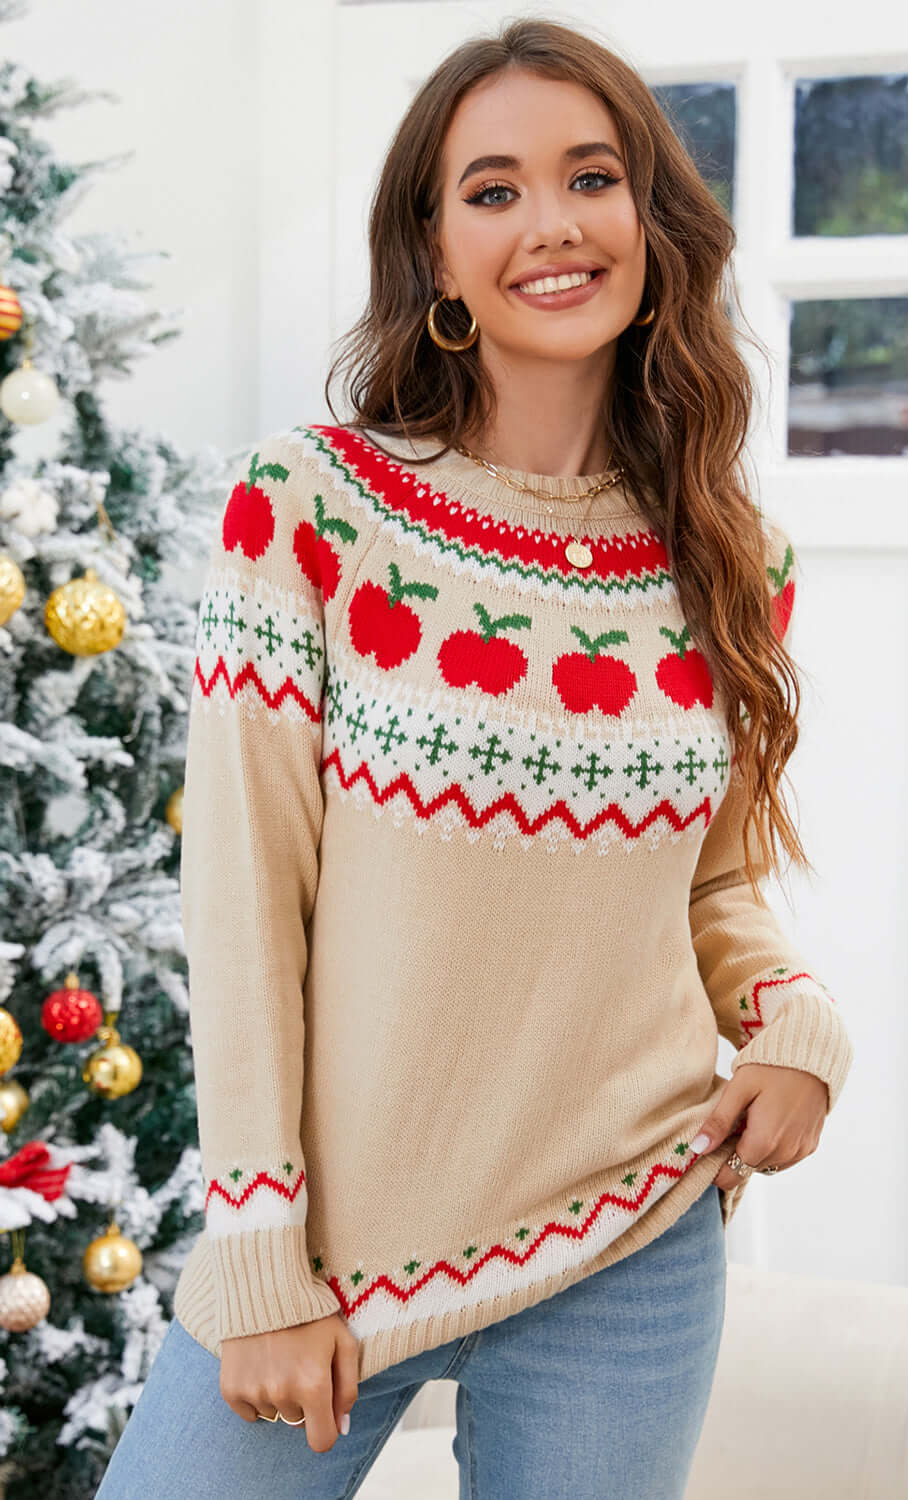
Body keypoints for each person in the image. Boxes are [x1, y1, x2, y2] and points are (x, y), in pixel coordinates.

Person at [95, 16, 852, 1500]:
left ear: (652, 220)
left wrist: (792, 1021)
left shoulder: (731, 556)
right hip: (328, 1251)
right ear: (435, 253)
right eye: (492, 191)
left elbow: (714, 882)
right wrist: (260, 1257)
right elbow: (244, 905)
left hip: (632, 1241)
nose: (552, 225)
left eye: (591, 177)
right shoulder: (310, 512)